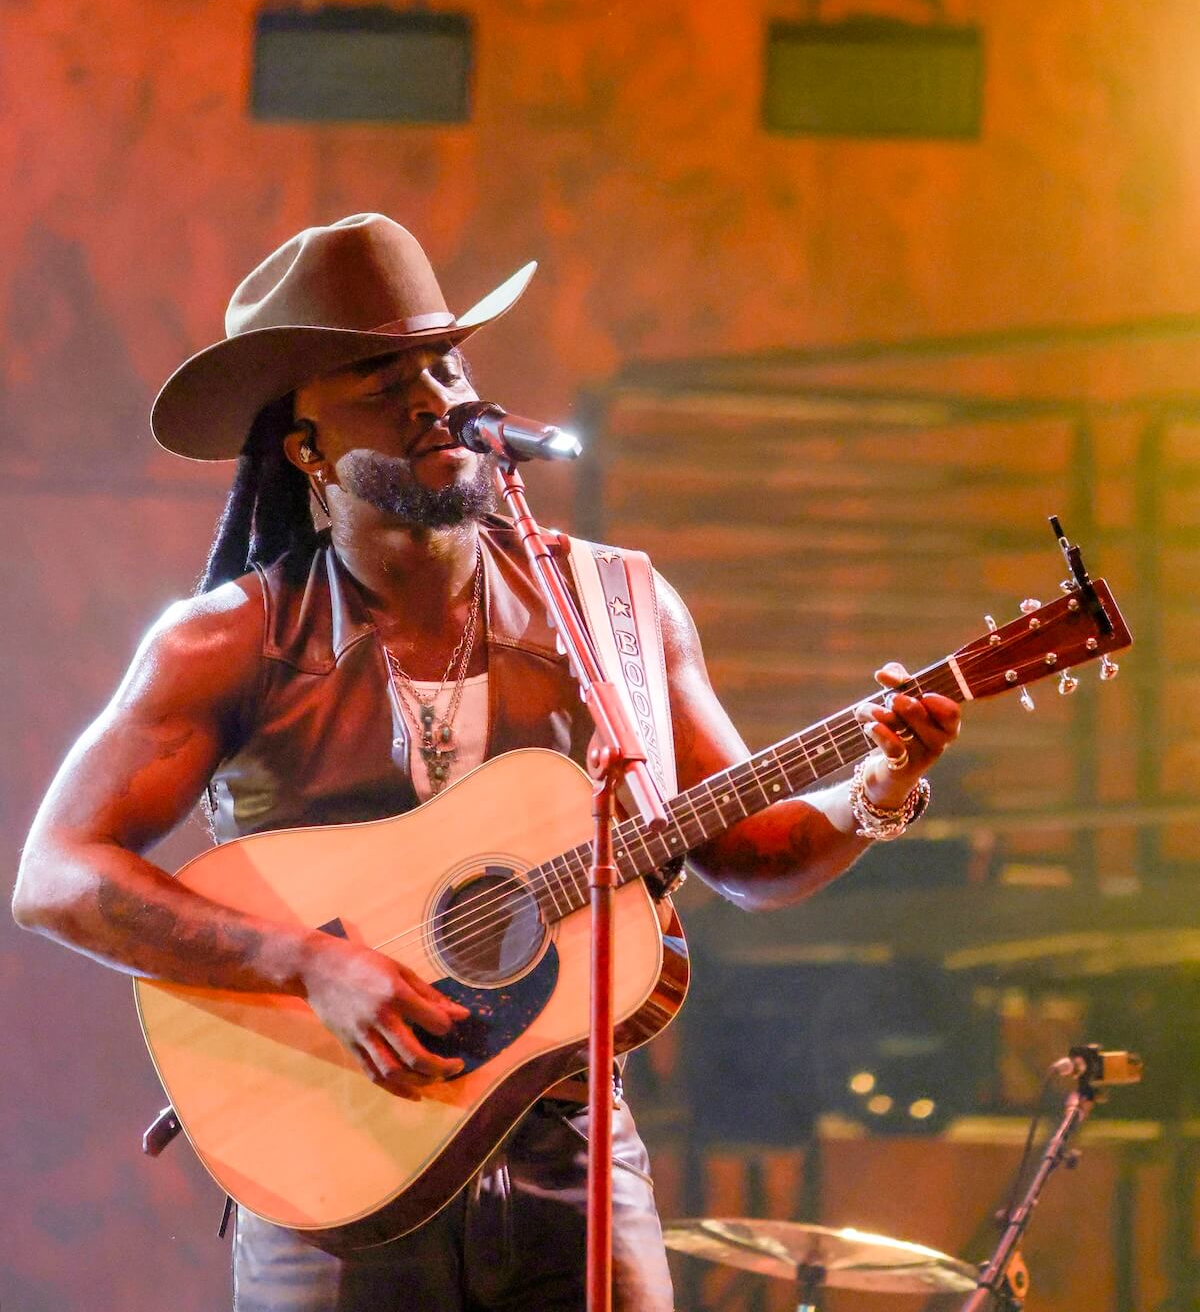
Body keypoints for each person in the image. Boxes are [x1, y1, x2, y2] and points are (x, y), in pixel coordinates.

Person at [12, 214, 961, 1312]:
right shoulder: (232, 638)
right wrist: (309, 965)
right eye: (380, 379)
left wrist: (875, 789)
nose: (430, 397)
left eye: (443, 362)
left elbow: (743, 854)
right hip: (334, 1162)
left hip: (572, 1149)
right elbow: (56, 876)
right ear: (307, 447)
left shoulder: (614, 609)